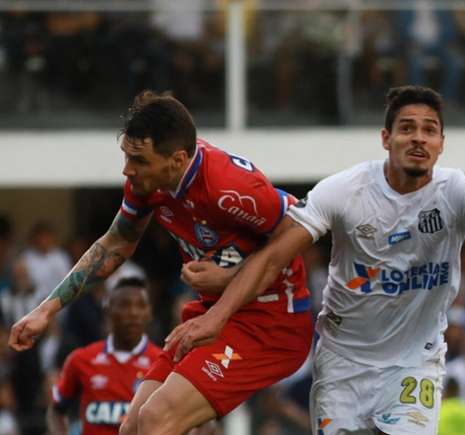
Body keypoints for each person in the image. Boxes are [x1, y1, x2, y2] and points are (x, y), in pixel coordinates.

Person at [165, 85, 465, 434]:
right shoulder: (346, 190)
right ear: (386, 138)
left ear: (441, 143)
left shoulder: (453, 190)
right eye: (407, 128)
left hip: (414, 364)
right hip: (343, 362)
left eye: (429, 130)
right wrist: (216, 316)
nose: (418, 139)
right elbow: (274, 257)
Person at [9, 91, 313, 435]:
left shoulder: (229, 187)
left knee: (157, 421)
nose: (127, 169)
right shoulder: (148, 183)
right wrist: (46, 310)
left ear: (178, 159)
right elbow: (117, 242)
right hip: (217, 313)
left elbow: (298, 231)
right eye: (126, 155)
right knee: (133, 427)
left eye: (138, 160)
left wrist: (227, 283)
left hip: (271, 325)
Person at [47, 277, 161, 435]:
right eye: (125, 305)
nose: (134, 313)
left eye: (141, 305)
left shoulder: (163, 363)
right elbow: (56, 410)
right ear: (108, 310)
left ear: (149, 313)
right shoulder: (81, 359)